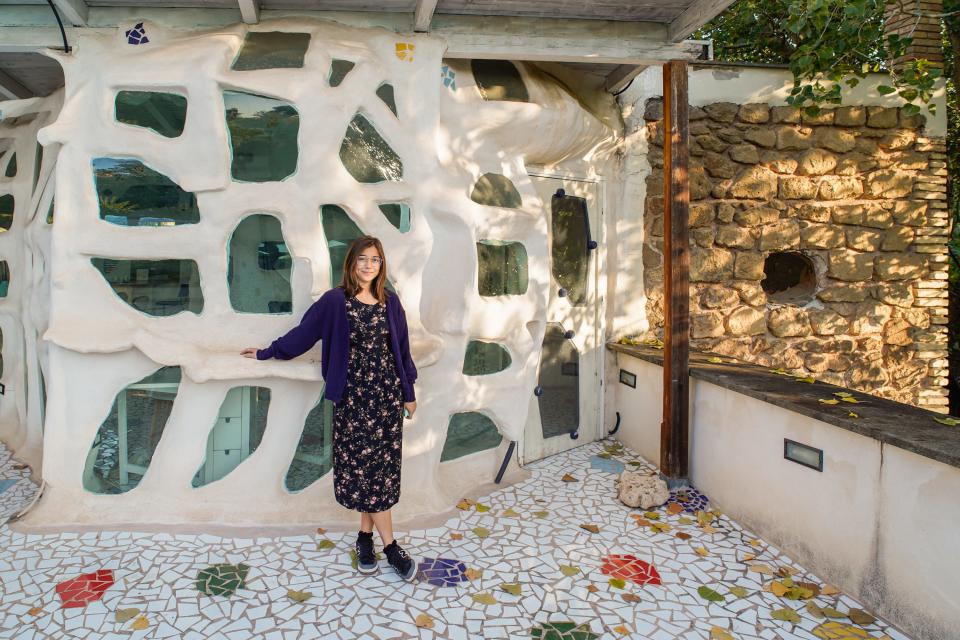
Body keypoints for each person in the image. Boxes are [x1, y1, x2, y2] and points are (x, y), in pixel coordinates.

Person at [241, 236, 419, 581]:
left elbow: (402, 350)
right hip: (353, 400)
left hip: (386, 400)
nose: (369, 266)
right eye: (363, 259)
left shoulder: (390, 303)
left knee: (379, 475)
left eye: (376, 260)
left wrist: (408, 391)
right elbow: (303, 334)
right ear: (351, 262)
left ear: (382, 265)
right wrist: (267, 352)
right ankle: (391, 547)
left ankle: (365, 539)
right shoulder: (336, 301)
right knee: (366, 474)